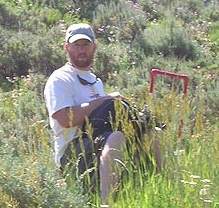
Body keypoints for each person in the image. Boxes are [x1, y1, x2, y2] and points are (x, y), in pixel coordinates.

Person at [44, 23, 163, 204]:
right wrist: (104, 100)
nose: (81, 50)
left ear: (94, 47)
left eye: (86, 45)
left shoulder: (95, 81)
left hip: (99, 146)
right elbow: (64, 119)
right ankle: (107, 203)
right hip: (73, 156)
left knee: (154, 134)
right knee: (115, 138)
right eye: (76, 45)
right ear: (67, 47)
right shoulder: (60, 79)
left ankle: (172, 187)